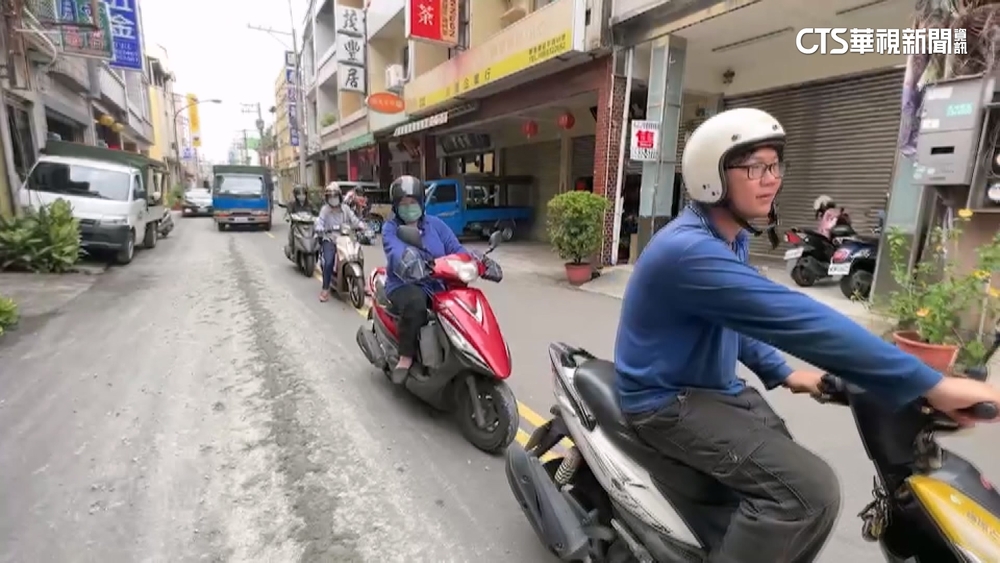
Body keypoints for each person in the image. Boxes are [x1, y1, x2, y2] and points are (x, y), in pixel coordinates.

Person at [614, 107, 1000, 563]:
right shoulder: (688, 251)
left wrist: (784, 373)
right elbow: (797, 318)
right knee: (809, 491)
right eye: (755, 167)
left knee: (780, 459)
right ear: (711, 176)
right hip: (665, 401)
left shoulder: (727, 236)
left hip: (712, 389)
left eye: (775, 165)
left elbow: (736, 317)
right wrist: (931, 383)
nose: (771, 179)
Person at [382, 175, 501, 385]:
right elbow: (395, 251)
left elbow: (456, 249)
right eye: (403, 204)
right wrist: (409, 263)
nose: (409, 207)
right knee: (416, 304)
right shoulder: (391, 229)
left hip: (436, 281)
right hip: (405, 283)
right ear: (396, 206)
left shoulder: (435, 224)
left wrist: (478, 261)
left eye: (413, 202)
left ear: (421, 202)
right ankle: (406, 357)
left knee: (464, 303)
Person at [316, 182, 363, 302]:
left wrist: (362, 226)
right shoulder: (325, 210)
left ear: (339, 196)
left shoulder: (346, 209)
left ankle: (361, 281)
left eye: (335, 196)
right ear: (327, 198)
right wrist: (320, 227)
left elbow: (354, 220)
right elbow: (320, 221)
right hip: (330, 239)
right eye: (330, 196)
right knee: (329, 262)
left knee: (357, 255)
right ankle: (325, 289)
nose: (333, 199)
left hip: (345, 238)